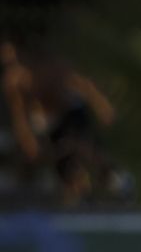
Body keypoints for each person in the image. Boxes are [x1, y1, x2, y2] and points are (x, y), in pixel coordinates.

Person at [2, 39, 122, 204]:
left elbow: (83, 85)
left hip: (71, 112)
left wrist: (102, 106)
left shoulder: (51, 68)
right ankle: (81, 196)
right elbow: (19, 116)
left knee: (85, 148)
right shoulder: (14, 82)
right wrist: (28, 140)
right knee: (63, 165)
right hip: (47, 123)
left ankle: (115, 181)